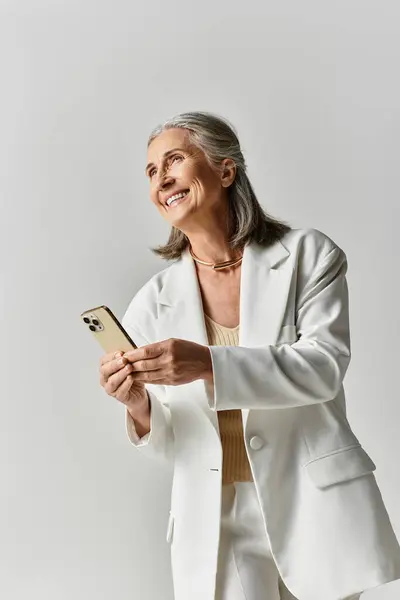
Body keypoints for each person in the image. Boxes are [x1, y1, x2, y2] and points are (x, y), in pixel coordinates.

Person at [99, 111, 400, 600]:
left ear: (225, 170)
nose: (162, 178)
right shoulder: (152, 302)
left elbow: (323, 367)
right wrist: (139, 407)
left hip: (313, 503)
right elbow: (175, 441)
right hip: (218, 519)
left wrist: (208, 363)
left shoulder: (309, 257)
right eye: (152, 171)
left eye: (174, 159)